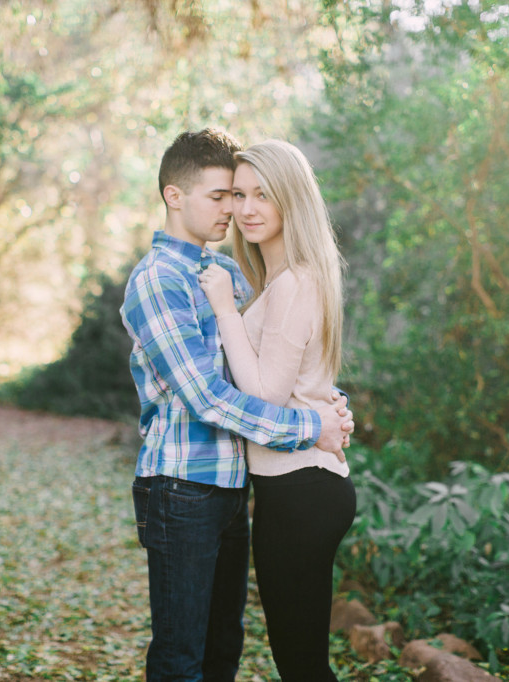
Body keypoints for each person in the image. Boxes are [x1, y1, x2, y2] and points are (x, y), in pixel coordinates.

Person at [120, 129, 354, 682]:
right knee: (183, 657)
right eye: (222, 195)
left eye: (245, 195)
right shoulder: (158, 279)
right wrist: (308, 425)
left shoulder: (224, 274)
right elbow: (206, 394)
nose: (235, 209)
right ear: (174, 196)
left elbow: (276, 361)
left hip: (232, 485)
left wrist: (329, 405)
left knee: (225, 646)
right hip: (181, 485)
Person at [198, 139, 357, 682]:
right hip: (297, 486)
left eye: (263, 195)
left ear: (291, 200)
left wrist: (223, 309)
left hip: (301, 492)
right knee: (301, 661)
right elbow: (307, 386)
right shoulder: (286, 281)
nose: (247, 209)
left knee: (302, 666)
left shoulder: (294, 283)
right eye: (239, 194)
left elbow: (264, 397)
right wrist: (331, 414)